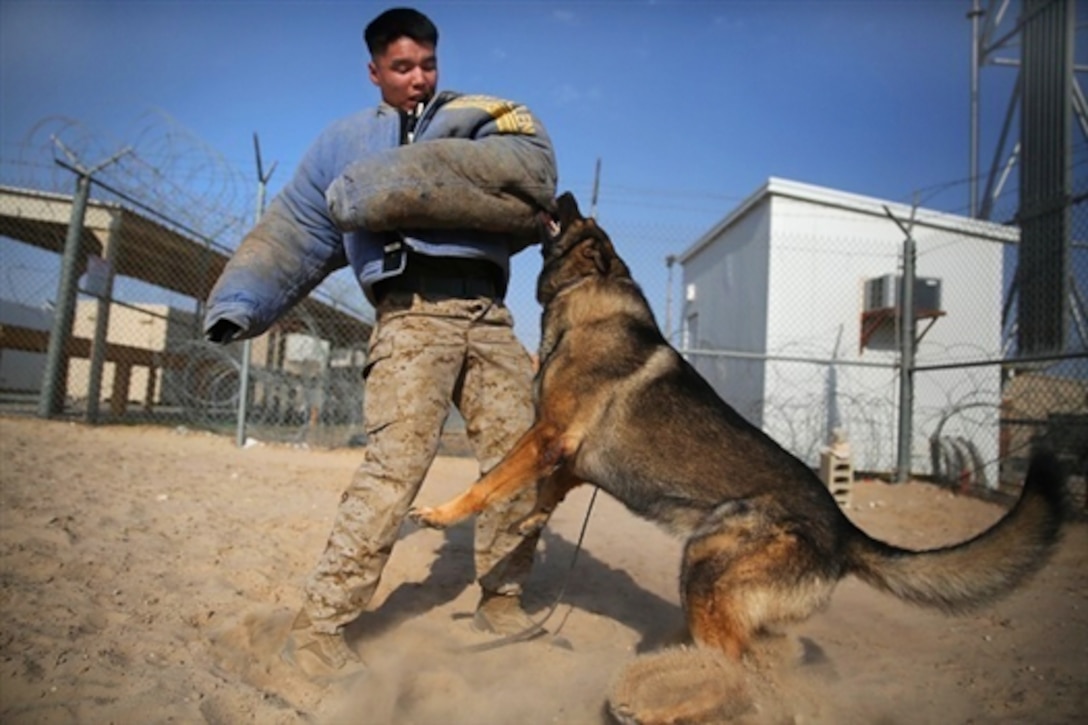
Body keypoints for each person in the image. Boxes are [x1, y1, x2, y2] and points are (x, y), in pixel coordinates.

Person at [202, 7, 557, 680]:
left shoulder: (481, 119)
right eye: (402, 68)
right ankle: (317, 630)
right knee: (393, 475)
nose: (418, 79)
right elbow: (295, 230)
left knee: (522, 459)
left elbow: (525, 180)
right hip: (410, 316)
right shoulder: (343, 144)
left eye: (428, 65)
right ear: (374, 72)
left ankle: (503, 596)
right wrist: (240, 304)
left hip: (490, 316)